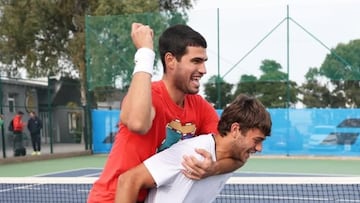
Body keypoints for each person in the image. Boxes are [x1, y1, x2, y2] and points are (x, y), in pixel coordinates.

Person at [87, 23, 242, 203]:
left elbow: (237, 152)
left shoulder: (200, 107)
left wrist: (213, 168)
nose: (203, 70)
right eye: (196, 61)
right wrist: (145, 53)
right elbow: (138, 123)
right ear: (170, 61)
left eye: (204, 62)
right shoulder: (148, 96)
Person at [115, 94, 272, 203]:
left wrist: (214, 168)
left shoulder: (234, 157)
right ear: (236, 130)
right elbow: (128, 181)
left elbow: (238, 161)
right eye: (257, 140)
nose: (259, 148)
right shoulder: (192, 152)